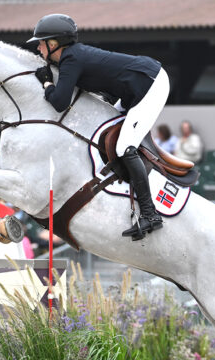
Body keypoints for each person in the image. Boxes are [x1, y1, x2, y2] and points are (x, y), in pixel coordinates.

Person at [30, 13, 168, 240]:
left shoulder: (71, 59)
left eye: (41, 43)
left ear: (54, 44)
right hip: (136, 87)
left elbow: (59, 102)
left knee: (124, 146)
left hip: (150, 84)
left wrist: (46, 83)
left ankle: (150, 214)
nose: (38, 49)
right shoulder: (71, 57)